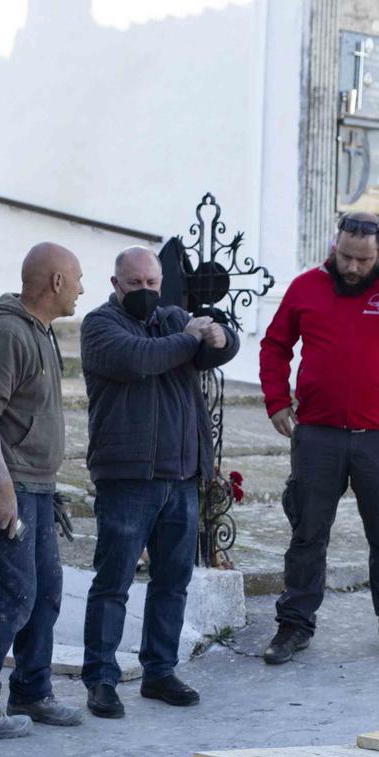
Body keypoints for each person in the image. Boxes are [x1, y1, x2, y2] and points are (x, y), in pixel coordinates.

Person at [257, 213, 379, 666]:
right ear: (334, 248)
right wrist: (277, 399)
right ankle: (294, 624)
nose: (352, 267)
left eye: (363, 259)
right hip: (317, 434)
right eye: (345, 256)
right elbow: (275, 344)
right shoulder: (306, 287)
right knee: (307, 533)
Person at [78, 247, 239, 718]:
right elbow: (139, 359)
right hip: (127, 477)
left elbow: (223, 348)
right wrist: (192, 338)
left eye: (152, 284)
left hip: (182, 477)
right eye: (135, 285)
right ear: (115, 283)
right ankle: (101, 678)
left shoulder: (173, 319)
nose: (145, 292)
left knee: (173, 581)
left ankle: (160, 672)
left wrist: (216, 332)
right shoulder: (100, 326)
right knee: (113, 583)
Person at [0, 242, 86, 738]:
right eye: (77, 279)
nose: (81, 290)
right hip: (5, 485)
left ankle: (32, 690)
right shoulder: (5, 331)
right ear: (54, 282)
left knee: (45, 593)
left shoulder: (42, 332)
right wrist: (2, 489)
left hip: (36, 485)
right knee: (11, 596)